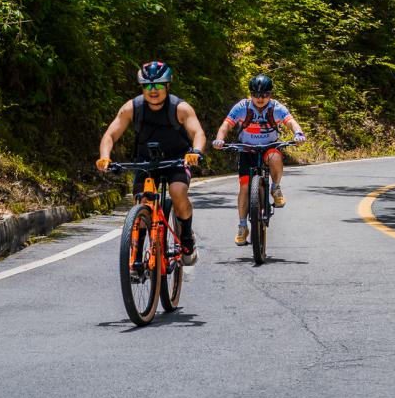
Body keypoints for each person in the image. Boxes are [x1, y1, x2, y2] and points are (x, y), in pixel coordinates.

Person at [96, 60, 206, 264]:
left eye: (157, 85)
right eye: (147, 85)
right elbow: (110, 135)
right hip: (145, 162)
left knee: (177, 192)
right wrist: (105, 157)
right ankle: (137, 258)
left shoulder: (180, 108)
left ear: (167, 86)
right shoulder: (132, 107)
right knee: (142, 203)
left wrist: (196, 152)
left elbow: (197, 132)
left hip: (177, 160)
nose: (152, 90)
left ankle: (187, 238)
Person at [212, 73, 305, 246]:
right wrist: (220, 139)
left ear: (270, 94)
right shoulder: (242, 107)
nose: (260, 98)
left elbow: (291, 121)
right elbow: (226, 125)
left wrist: (298, 133)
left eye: (264, 95)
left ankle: (275, 188)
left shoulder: (276, 107)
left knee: (276, 156)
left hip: (269, 147)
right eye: (256, 94)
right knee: (245, 187)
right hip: (247, 149)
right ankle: (242, 226)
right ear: (250, 94)